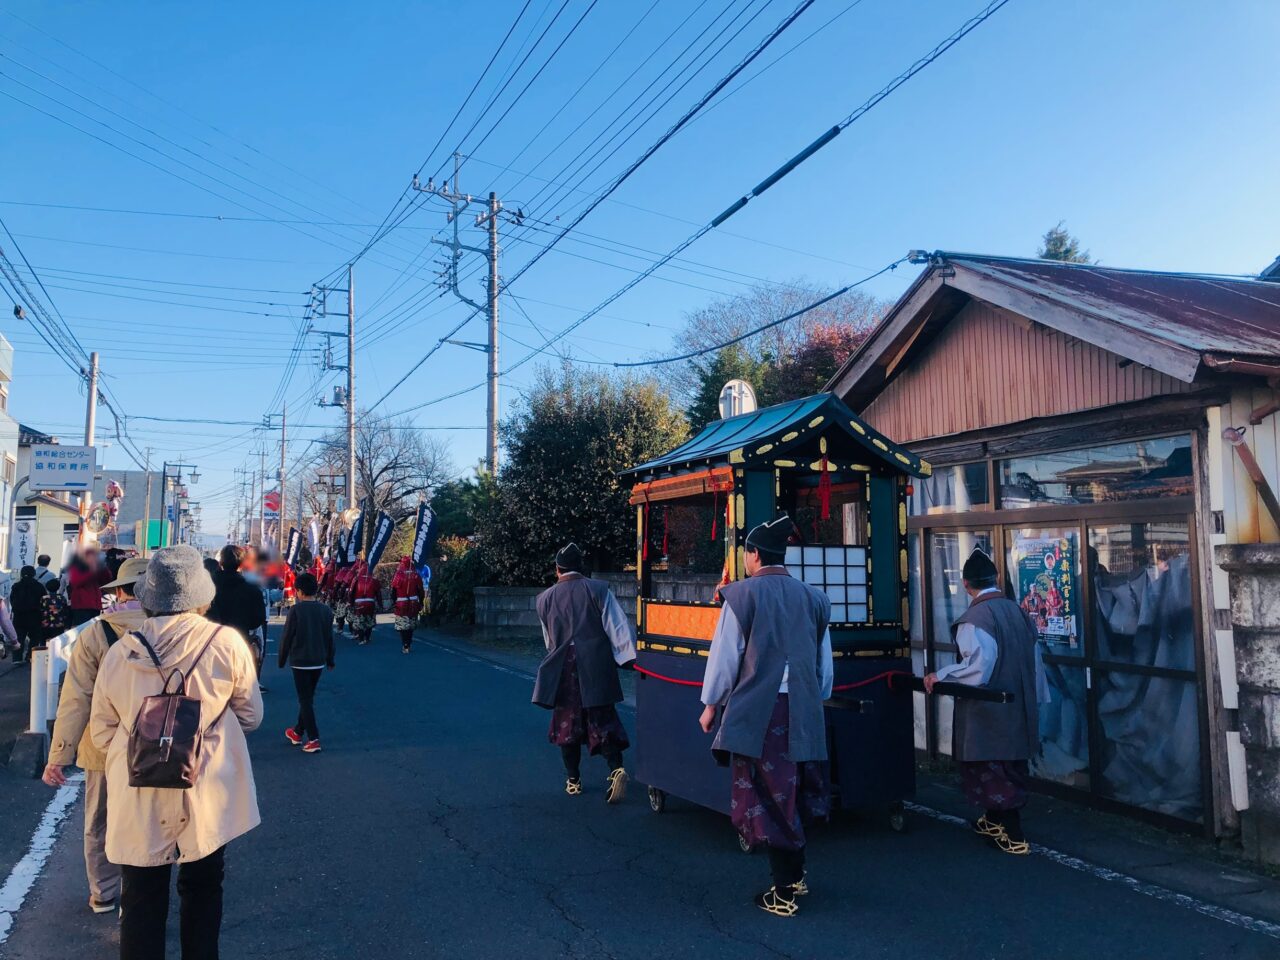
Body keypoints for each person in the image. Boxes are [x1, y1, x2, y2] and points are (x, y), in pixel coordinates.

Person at [89, 544, 263, 960]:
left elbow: (101, 732)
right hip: (207, 786)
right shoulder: (227, 644)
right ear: (203, 597)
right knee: (203, 890)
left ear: (148, 597)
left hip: (139, 787)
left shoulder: (120, 652)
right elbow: (252, 716)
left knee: (141, 898)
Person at [699, 515, 833, 918]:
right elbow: (824, 668)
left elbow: (725, 658)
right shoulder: (814, 597)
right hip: (805, 709)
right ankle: (797, 873)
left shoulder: (741, 596)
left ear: (754, 555)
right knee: (794, 790)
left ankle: (784, 889)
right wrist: (816, 698)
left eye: (746, 553)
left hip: (761, 712)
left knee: (767, 794)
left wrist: (711, 705)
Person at [924, 548, 1049, 856]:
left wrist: (941, 676)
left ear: (967, 585)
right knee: (1011, 764)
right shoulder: (1017, 611)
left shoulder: (975, 617)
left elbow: (978, 667)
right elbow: (1035, 659)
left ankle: (1013, 833)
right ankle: (991, 820)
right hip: (1019, 703)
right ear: (995, 579)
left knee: (991, 767)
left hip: (989, 708)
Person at [42, 556, 150, 915]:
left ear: (118, 592)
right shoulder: (176, 630)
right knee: (150, 820)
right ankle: (139, 893)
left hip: (104, 746)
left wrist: (59, 754)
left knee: (100, 820)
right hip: (159, 744)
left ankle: (103, 892)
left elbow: (76, 698)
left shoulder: (97, 632)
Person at [532, 543, 635, 803]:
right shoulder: (598, 589)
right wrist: (627, 658)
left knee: (567, 721)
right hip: (595, 662)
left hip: (563, 666)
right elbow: (617, 626)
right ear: (582, 567)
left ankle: (573, 780)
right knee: (602, 717)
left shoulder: (544, 599)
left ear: (557, 570)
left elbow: (549, 641)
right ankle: (615, 769)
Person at [278, 572, 334, 753]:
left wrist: (282, 658)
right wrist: (330, 658)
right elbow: (329, 637)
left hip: (300, 660)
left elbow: (287, 636)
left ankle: (313, 738)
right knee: (308, 698)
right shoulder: (325, 610)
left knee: (305, 700)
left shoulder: (296, 610)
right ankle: (297, 731)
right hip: (318, 660)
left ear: (300, 591)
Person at [207, 545, 269, 673]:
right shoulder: (252, 590)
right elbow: (258, 620)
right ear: (242, 565)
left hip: (210, 642)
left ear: (221, 563)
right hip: (240, 641)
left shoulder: (208, 588)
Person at [66, 547, 111, 626]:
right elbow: (76, 582)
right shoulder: (77, 568)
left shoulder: (97, 568)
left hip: (95, 605)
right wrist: (91, 570)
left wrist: (104, 568)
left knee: (94, 628)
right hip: (81, 605)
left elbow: (106, 581)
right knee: (83, 629)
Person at [8, 566, 44, 662]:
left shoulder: (16, 586)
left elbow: (12, 600)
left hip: (19, 617)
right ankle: (31, 657)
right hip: (34, 616)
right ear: (33, 574)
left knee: (19, 637)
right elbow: (43, 601)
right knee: (35, 638)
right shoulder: (39, 586)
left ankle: (17, 658)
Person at [390, 556, 425, 653]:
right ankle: (408, 643)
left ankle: (405, 644)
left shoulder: (398, 575)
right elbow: (421, 591)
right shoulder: (416, 575)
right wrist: (421, 602)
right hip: (414, 602)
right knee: (411, 624)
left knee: (402, 625)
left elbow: (393, 590)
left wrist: (393, 602)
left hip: (401, 602)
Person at [348, 560, 380, 645]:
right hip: (370, 602)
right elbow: (378, 593)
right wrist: (380, 604)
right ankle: (367, 637)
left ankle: (361, 639)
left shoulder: (356, 579)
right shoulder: (374, 579)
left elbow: (351, 592)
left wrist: (350, 603)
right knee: (369, 621)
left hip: (359, 603)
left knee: (359, 622)